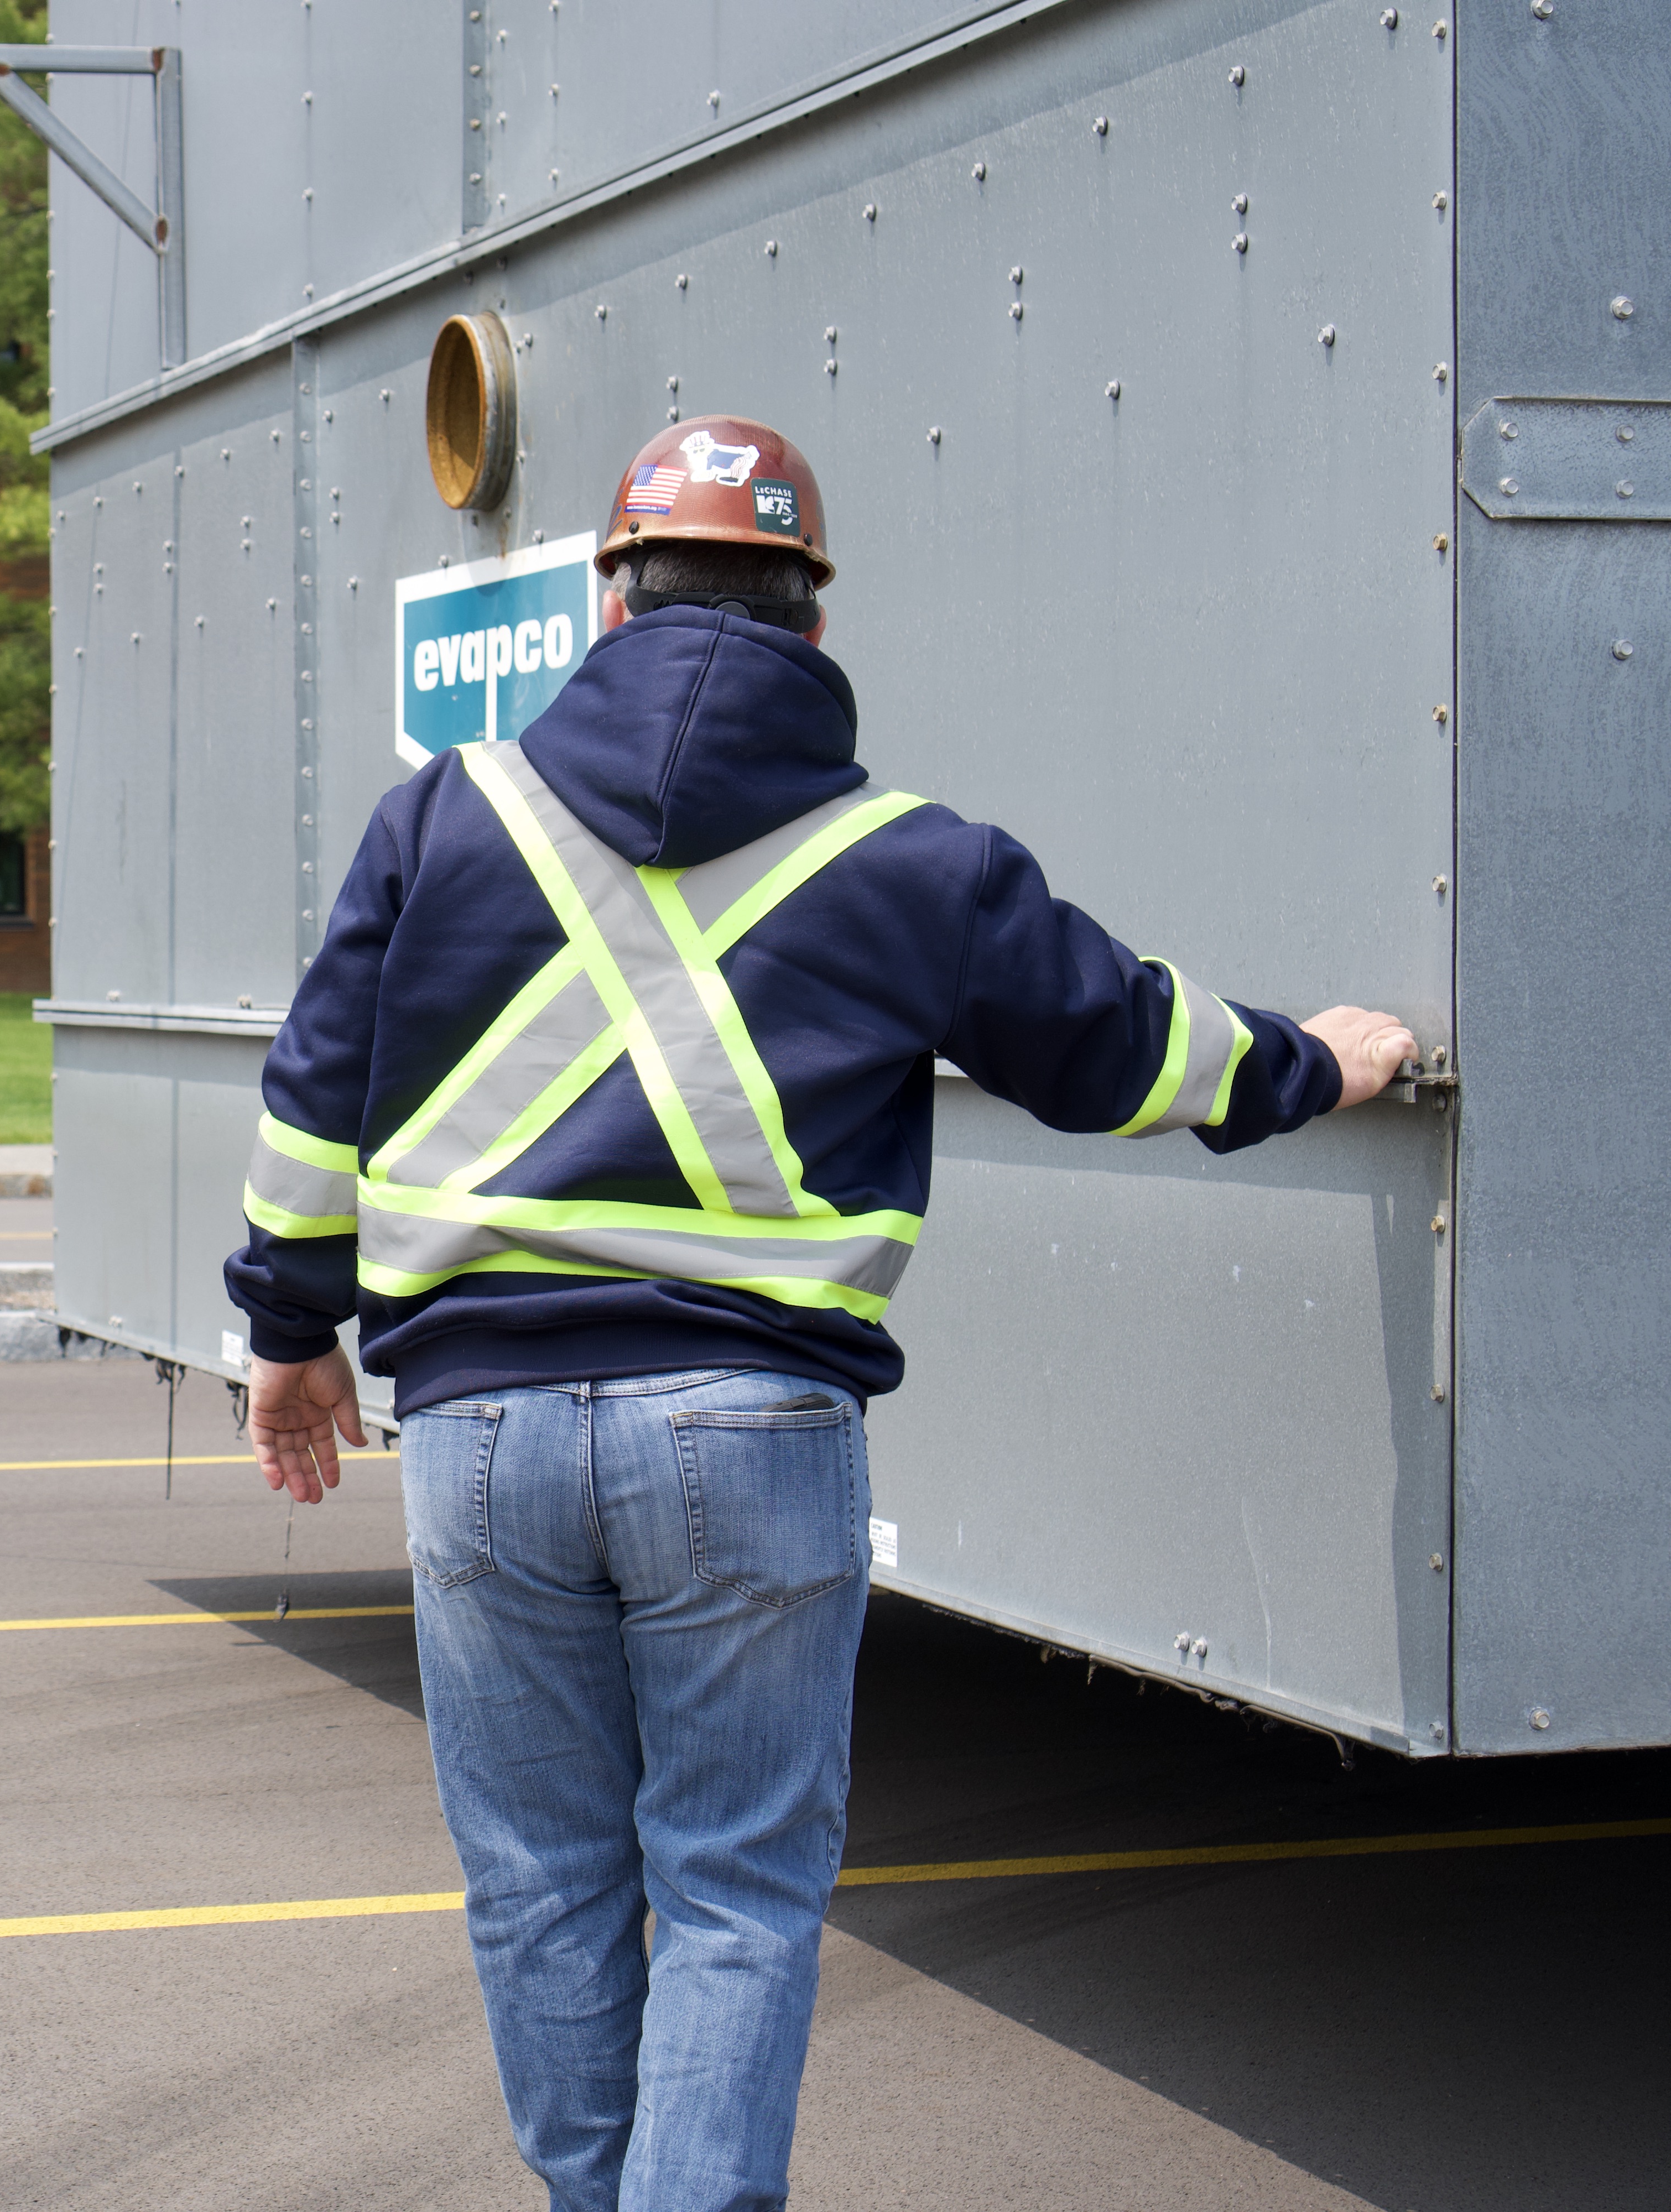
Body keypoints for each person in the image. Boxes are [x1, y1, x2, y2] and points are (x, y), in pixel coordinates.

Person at [223, 418, 1417, 2212]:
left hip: (476, 1434)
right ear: (813, 624)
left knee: (541, 1880)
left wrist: (289, 1335)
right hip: (753, 1427)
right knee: (735, 1895)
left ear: (609, 601)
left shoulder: (442, 818)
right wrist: (1322, 1062)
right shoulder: (912, 862)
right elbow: (1121, 1047)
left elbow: (315, 1108)